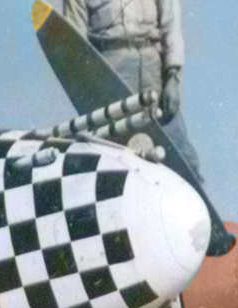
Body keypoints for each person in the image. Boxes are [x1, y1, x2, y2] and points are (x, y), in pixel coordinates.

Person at [67, 0, 202, 179]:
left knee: (182, 157)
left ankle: (197, 202)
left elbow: (171, 23)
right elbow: (74, 42)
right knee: (115, 156)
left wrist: (173, 78)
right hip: (111, 69)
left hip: (153, 67)